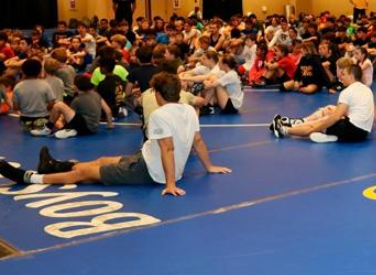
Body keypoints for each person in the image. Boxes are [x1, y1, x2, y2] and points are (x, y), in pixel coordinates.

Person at [0, 72, 231, 195]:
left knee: (85, 173)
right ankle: (54, 165)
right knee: (100, 160)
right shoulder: (190, 109)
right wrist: (209, 167)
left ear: (158, 94)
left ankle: (30, 177)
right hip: (147, 158)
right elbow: (198, 142)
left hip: (150, 170)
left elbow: (168, 149)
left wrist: (170, 184)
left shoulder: (160, 115)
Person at [270, 58, 376, 142]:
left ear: (352, 76)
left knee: (315, 126)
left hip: (352, 131)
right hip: (362, 134)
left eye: (344, 75)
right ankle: (329, 135)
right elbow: (374, 110)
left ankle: (283, 129)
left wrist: (317, 127)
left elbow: (336, 117)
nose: (341, 77)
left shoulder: (347, 92)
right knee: (326, 118)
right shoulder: (367, 89)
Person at [45, 75, 114, 139]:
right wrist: (110, 125)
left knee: (58, 105)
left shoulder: (77, 100)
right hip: (94, 129)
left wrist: (61, 122)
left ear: (76, 86)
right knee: (60, 119)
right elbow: (108, 111)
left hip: (84, 128)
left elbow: (68, 120)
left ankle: (47, 128)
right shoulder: (96, 94)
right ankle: (68, 130)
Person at [12, 59, 56, 134]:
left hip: (25, 121)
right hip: (43, 119)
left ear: (23, 71)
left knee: (27, 127)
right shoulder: (45, 85)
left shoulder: (18, 87)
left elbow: (16, 107)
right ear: (40, 71)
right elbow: (52, 103)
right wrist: (46, 108)